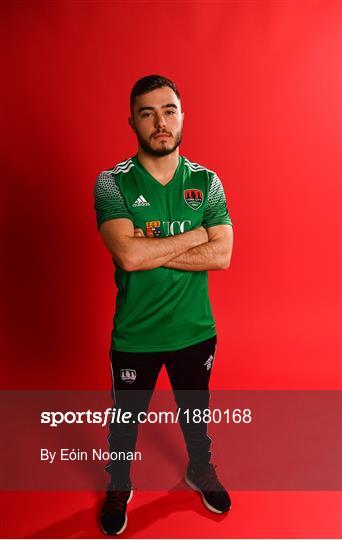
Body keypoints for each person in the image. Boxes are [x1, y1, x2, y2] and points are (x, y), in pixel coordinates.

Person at [94, 74, 234, 535]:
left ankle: (200, 469)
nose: (160, 122)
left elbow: (224, 255)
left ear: (181, 116)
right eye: (148, 112)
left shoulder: (207, 182)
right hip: (136, 333)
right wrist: (194, 235)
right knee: (125, 421)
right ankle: (119, 483)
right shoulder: (112, 183)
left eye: (168, 110)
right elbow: (129, 256)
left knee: (196, 412)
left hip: (195, 329)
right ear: (131, 121)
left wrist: (157, 244)